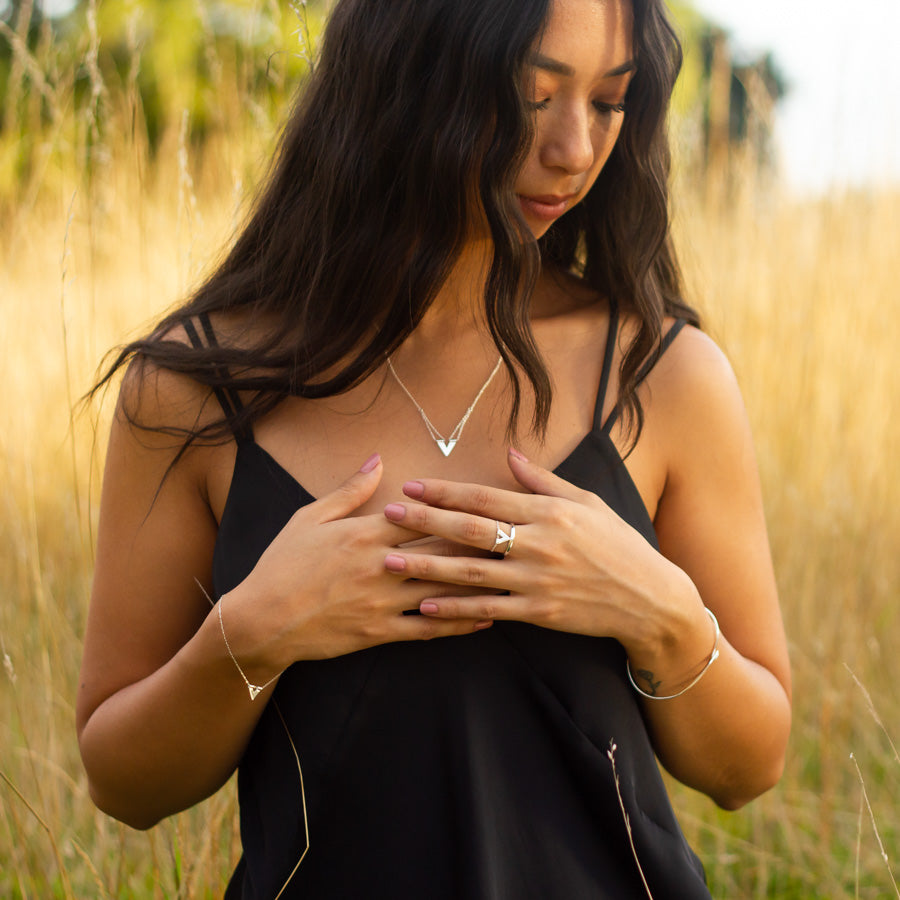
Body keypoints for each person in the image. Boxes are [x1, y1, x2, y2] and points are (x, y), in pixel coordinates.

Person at [76, 0, 792, 896]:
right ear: (403, 78)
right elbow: (124, 783)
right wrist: (252, 637)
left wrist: (663, 617)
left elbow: (749, 765)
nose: (574, 149)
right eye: (533, 96)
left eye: (609, 102)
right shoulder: (193, 389)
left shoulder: (666, 374)